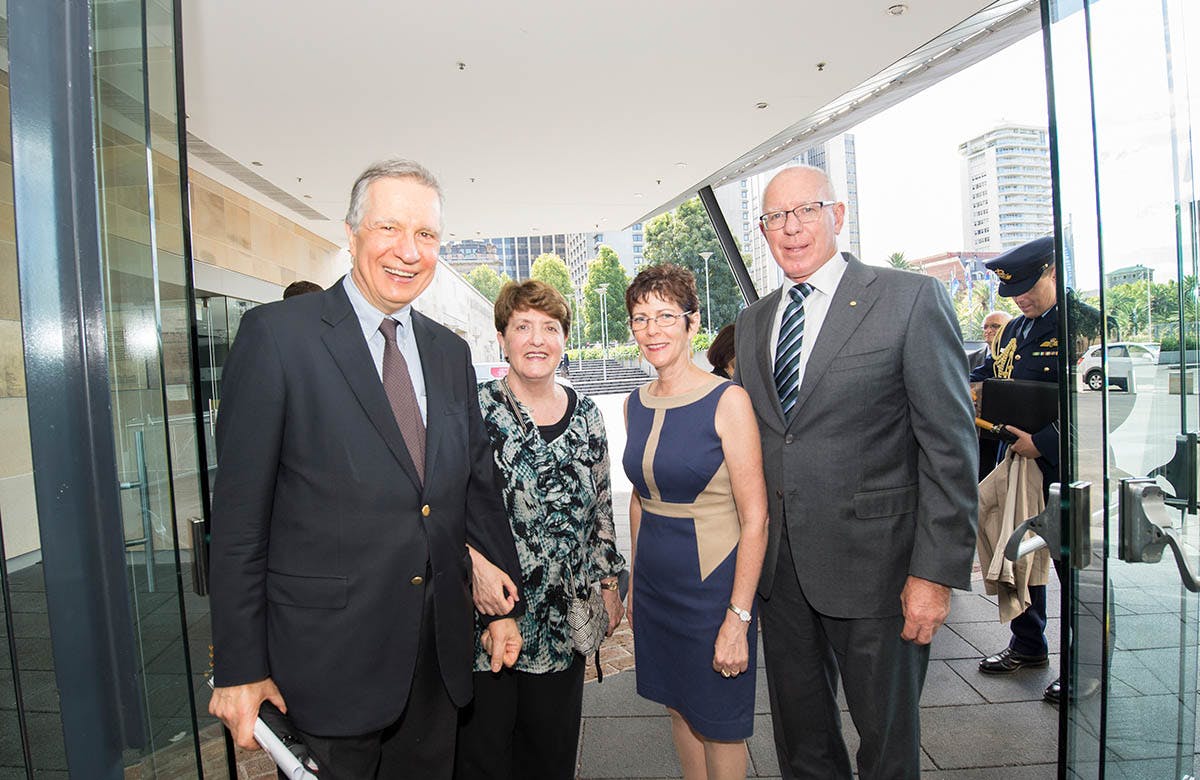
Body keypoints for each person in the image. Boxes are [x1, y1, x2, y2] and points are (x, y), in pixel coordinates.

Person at [207, 158, 524, 780]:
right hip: (324, 667)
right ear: (352, 233)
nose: (409, 252)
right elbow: (241, 522)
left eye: (426, 236)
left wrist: (501, 605)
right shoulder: (277, 338)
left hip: (435, 664)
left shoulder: (450, 350)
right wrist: (240, 667)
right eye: (389, 229)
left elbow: (475, 487)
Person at [732, 165, 978, 780]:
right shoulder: (754, 321)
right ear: (762, 230)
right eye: (774, 218)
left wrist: (934, 573)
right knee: (802, 744)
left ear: (837, 216)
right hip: (782, 577)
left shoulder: (908, 299)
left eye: (805, 211)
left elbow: (949, 447)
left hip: (881, 575)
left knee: (888, 745)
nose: (790, 229)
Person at [455, 280, 626, 780]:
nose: (536, 339)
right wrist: (474, 563)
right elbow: (443, 506)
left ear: (564, 338)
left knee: (550, 759)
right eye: (522, 326)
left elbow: (600, 508)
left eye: (549, 328)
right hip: (490, 620)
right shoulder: (473, 411)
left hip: (563, 625)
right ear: (503, 337)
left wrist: (610, 584)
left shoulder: (589, 415)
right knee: (486, 759)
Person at [622, 264, 768, 780]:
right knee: (678, 705)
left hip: (713, 589)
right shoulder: (633, 404)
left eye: (666, 316)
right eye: (641, 318)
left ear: (691, 322)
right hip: (658, 587)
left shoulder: (727, 400)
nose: (653, 329)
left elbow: (756, 519)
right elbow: (640, 501)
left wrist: (738, 617)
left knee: (720, 721)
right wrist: (637, 584)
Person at [969, 237, 1066, 701]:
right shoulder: (1014, 331)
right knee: (1017, 547)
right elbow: (993, 374)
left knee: (1072, 565)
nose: (1021, 298)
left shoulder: (1082, 325)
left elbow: (1098, 405)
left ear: (1052, 272)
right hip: (1014, 459)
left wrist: (1043, 442)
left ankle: (1085, 666)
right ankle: (1028, 644)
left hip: (1062, 469)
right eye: (1014, 292)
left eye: (1028, 287)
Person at [970, 310, 1013, 480]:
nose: (989, 330)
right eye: (986, 327)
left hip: (1008, 429)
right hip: (981, 429)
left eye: (995, 326)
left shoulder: (1014, 356)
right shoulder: (973, 360)